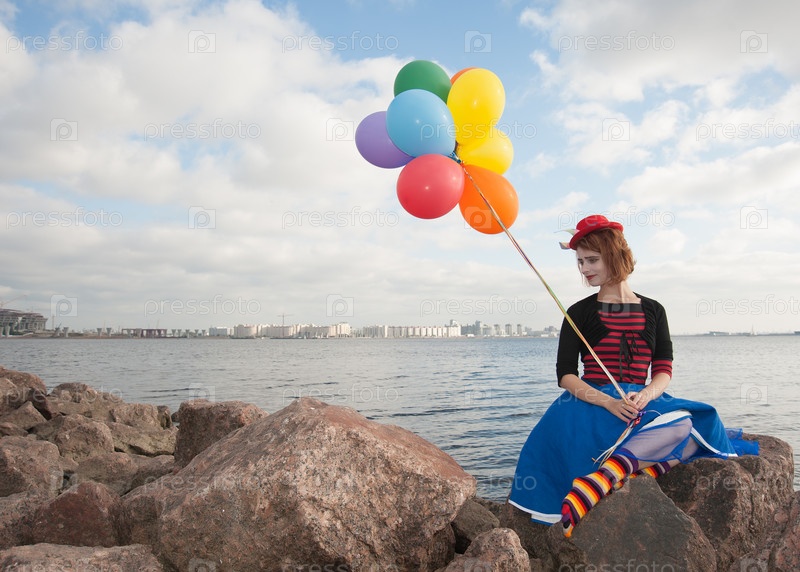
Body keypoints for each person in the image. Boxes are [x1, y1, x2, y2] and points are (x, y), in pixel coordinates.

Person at [508, 214, 758, 538]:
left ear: (614, 255)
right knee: (684, 435)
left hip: (639, 400)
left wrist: (646, 395)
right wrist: (609, 403)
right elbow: (566, 375)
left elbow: (664, 369)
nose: (584, 269)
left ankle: (602, 480)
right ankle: (630, 473)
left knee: (687, 424)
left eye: (592, 260)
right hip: (591, 403)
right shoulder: (578, 312)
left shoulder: (654, 310)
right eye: (580, 262)